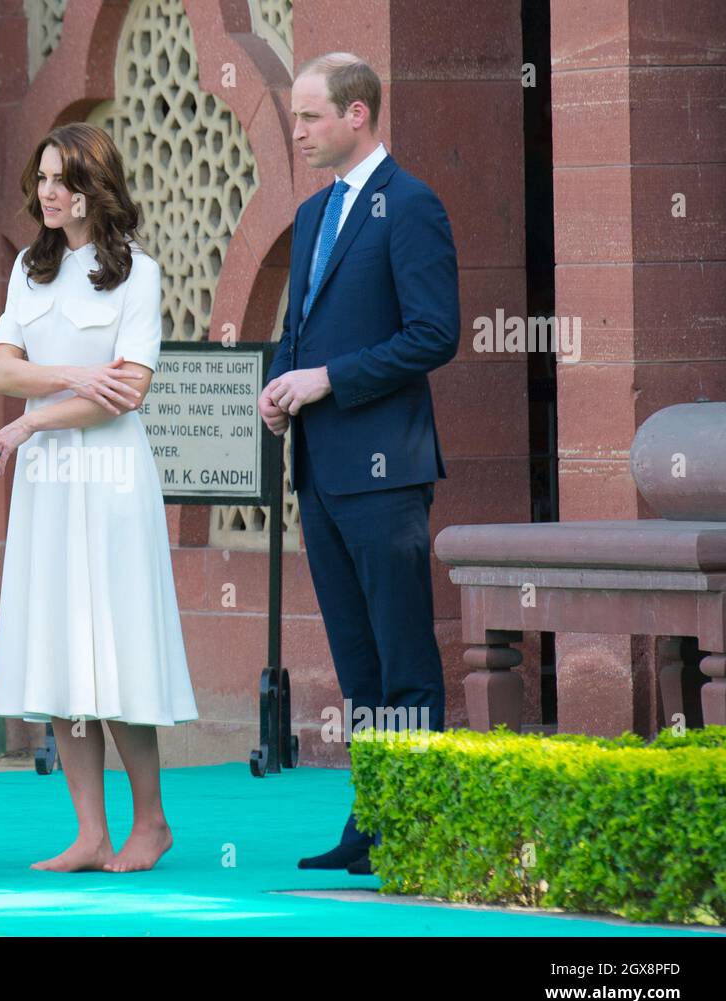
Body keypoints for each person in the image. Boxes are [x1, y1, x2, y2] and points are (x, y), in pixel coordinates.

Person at [259, 53, 459, 873]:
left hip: (385, 472)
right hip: (321, 468)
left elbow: (433, 334)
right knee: (357, 658)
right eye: (295, 117)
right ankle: (372, 820)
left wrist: (328, 380)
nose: (297, 130)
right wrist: (279, 380)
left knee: (403, 656)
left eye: (309, 116)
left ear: (357, 115)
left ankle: (418, 826)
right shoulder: (312, 215)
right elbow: (307, 328)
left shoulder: (412, 206)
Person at [0, 122, 198, 874]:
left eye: (62, 179)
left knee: (118, 649)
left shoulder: (138, 271)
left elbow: (128, 391)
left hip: (109, 483)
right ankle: (89, 832)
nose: (46, 192)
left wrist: (36, 418)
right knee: (60, 652)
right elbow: (1, 372)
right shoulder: (28, 268)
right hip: (47, 488)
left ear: (93, 189)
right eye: (41, 177)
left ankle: (151, 822)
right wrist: (74, 378)